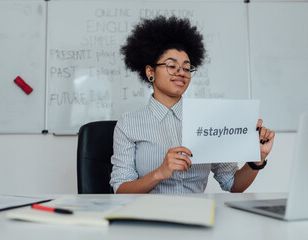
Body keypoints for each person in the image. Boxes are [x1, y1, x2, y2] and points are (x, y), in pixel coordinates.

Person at [109, 16, 275, 194]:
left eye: (187, 68)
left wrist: (257, 159)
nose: (181, 72)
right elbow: (121, 190)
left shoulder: (209, 120)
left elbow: (233, 184)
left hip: (198, 214)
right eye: (171, 66)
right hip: (151, 216)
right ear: (151, 72)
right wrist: (160, 173)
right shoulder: (129, 124)